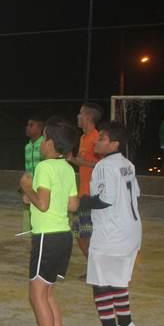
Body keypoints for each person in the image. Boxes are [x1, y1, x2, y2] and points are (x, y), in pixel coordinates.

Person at [19, 117, 79, 326]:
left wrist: (26, 187)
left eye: (44, 137)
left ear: (51, 143)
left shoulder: (44, 167)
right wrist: (33, 197)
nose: (41, 142)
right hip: (64, 235)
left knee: (37, 293)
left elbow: (42, 204)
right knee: (48, 292)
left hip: (47, 236)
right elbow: (73, 205)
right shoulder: (67, 168)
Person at [81, 121, 142, 326]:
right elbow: (136, 195)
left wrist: (82, 203)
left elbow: (104, 200)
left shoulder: (104, 167)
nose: (97, 141)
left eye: (102, 139)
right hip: (130, 230)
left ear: (114, 143)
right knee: (117, 279)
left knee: (101, 282)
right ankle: (126, 324)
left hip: (111, 233)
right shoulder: (127, 164)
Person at [68, 103, 102, 262]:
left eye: (80, 114)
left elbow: (102, 166)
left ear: (88, 117)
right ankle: (93, 266)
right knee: (80, 233)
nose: (78, 117)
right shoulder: (83, 137)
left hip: (91, 195)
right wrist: (72, 160)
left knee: (84, 233)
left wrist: (78, 161)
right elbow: (83, 162)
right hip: (82, 193)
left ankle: (95, 267)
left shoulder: (97, 138)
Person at [22, 116, 45, 232]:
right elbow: (27, 168)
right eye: (27, 125)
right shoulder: (27, 146)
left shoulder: (44, 145)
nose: (28, 128)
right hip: (30, 186)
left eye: (31, 125)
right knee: (31, 216)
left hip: (42, 186)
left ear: (40, 128)